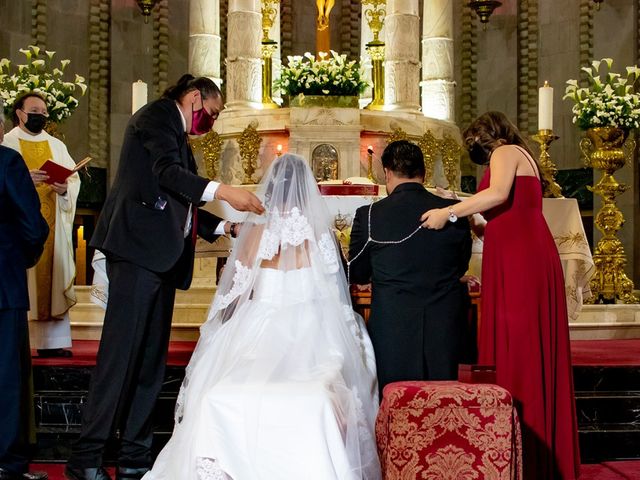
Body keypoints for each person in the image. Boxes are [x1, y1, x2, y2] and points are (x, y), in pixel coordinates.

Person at [65, 75, 264, 480]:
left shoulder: (177, 134)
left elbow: (182, 200)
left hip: (159, 259)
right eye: (211, 112)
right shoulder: (157, 117)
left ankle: (134, 455)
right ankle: (86, 458)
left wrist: (226, 229)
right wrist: (225, 191)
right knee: (121, 357)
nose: (210, 120)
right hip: (137, 252)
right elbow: (166, 174)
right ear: (194, 97)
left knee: (150, 363)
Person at [143, 154, 381, 480]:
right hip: (314, 324)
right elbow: (335, 289)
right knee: (339, 365)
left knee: (222, 385)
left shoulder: (255, 233)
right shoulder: (319, 232)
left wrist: (221, 328)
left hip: (259, 322)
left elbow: (237, 292)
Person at [421, 111, 580, 480]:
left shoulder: (506, 151)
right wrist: (468, 215)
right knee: (520, 347)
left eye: (475, 138)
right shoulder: (516, 156)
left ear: (488, 134)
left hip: (522, 263)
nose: (473, 146)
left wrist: (450, 211)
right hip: (517, 257)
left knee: (520, 351)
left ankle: (526, 450)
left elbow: (496, 194)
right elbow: (496, 222)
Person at [348, 140, 473, 393]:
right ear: (424, 173)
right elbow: (460, 267)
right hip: (445, 324)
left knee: (396, 400)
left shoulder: (369, 215)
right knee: (443, 402)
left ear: (387, 173)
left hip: (392, 326)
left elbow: (357, 272)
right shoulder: (453, 213)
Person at [2, 92, 81, 358]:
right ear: (20, 113)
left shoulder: (56, 145)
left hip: (50, 226)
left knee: (51, 279)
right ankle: (24, 341)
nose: (40, 116)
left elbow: (73, 180)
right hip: (17, 233)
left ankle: (52, 342)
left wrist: (63, 190)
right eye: (34, 110)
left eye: (44, 112)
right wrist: (25, 179)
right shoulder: (8, 143)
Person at [0, 102, 50, 480]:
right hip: (3, 288)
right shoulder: (8, 162)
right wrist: (22, 261)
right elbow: (33, 226)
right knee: (5, 378)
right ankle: (8, 465)